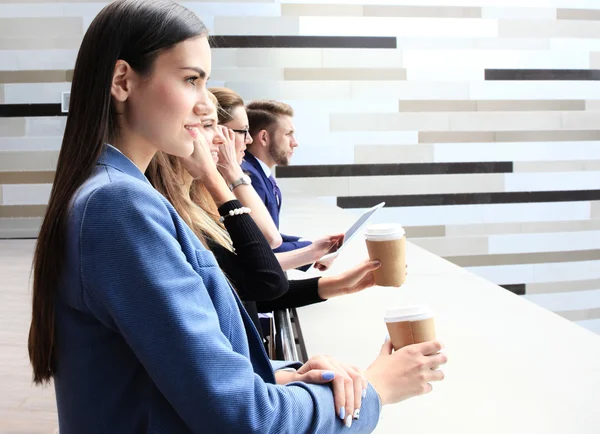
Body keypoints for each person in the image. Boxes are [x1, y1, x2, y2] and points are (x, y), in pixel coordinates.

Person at [27, 1, 447, 433]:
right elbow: (245, 420)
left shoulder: (114, 193)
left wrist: (288, 376)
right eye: (190, 80)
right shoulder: (119, 206)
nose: (202, 103)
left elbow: (166, 372)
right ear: (122, 81)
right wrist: (376, 389)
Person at [146, 92, 382, 348]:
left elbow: (244, 290)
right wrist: (218, 178)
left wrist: (338, 285)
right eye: (208, 126)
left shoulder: (197, 206)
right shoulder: (179, 213)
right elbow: (266, 272)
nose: (220, 139)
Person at [211, 87, 341, 271]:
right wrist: (312, 251)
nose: (295, 142)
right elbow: (265, 241)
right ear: (264, 137)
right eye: (288, 134)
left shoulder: (256, 172)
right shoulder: (245, 176)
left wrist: (312, 246)